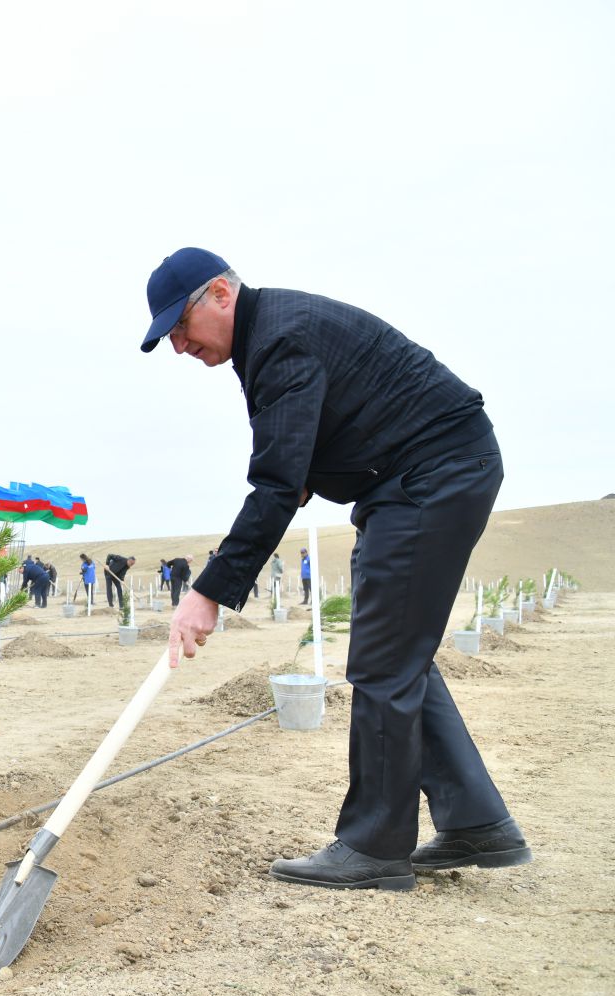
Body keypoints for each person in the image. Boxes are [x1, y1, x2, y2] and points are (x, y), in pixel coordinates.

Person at [146, 245, 530, 890]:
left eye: (180, 327)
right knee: (398, 654)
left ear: (220, 294)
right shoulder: (272, 340)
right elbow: (293, 470)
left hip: (429, 478)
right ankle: (476, 824)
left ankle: (374, 847)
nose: (180, 347)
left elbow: (275, 485)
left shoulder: (280, 342)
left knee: (384, 661)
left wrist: (208, 591)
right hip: (421, 478)